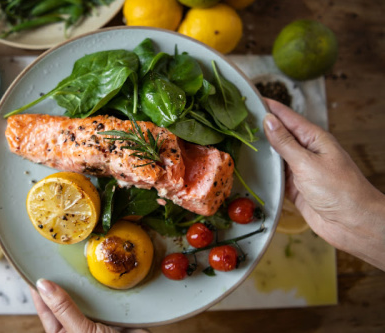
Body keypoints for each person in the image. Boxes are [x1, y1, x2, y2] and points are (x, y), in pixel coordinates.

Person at [30, 99, 385, 333]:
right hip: (143, 156)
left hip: (171, 168)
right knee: (104, 150)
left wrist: (362, 221)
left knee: (151, 167)